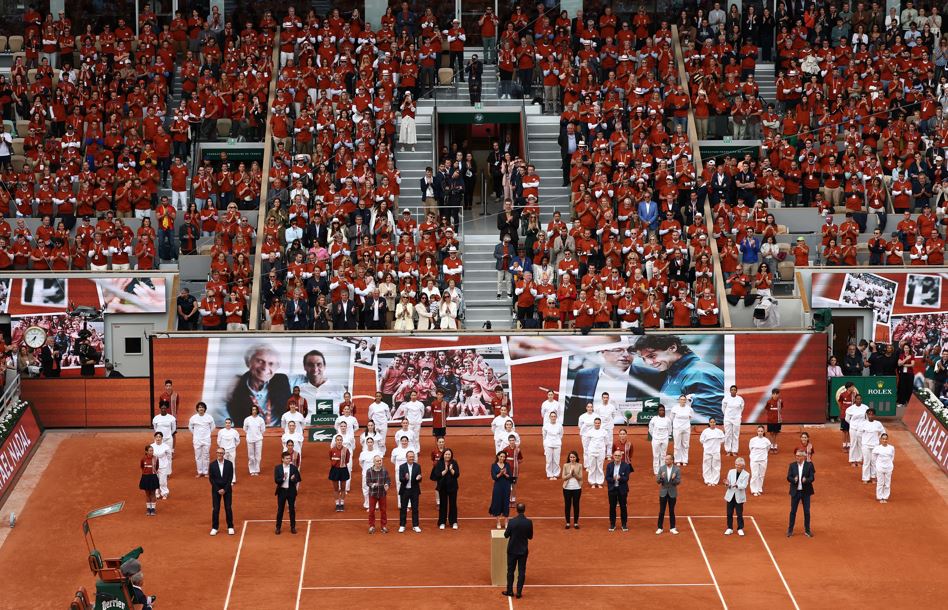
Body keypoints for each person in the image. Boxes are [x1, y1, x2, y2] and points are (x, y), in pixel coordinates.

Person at [226, 343, 291, 426]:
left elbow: (307, 378)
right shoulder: (234, 388)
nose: (265, 367)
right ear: (248, 362)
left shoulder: (282, 381)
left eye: (271, 364)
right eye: (260, 361)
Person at [503, 502, 533, 599]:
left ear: (516, 510)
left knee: (510, 571)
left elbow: (506, 535)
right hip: (523, 551)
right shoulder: (528, 522)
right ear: (524, 510)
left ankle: (510, 591)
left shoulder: (512, 522)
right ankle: (519, 592)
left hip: (512, 550)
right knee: (521, 571)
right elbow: (530, 537)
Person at [787, 449, 815, 537]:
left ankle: (807, 530)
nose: (797, 457)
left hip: (805, 492)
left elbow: (812, 478)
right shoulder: (792, 465)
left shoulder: (809, 465)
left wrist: (806, 480)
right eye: (796, 455)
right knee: (793, 511)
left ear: (803, 457)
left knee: (807, 511)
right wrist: (793, 479)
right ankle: (790, 530)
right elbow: (788, 477)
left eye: (799, 456)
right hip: (795, 492)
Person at [431, 448, 460, 529]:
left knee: (453, 505)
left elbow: (457, 474)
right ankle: (442, 522)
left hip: (453, 487)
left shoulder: (454, 462)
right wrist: (445, 470)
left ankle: (453, 522)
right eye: (446, 454)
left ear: (451, 455)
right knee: (443, 505)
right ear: (443, 455)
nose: (447, 456)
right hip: (443, 487)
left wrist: (451, 470)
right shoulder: (439, 463)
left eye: (449, 454)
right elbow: (437, 475)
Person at [274, 450, 302, 534]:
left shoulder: (294, 468)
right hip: (282, 491)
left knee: (292, 509)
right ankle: (278, 527)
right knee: (280, 510)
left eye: (289, 458)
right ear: (282, 459)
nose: (289, 460)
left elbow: (298, 479)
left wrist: (294, 479)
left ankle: (293, 527)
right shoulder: (278, 468)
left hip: (291, 491)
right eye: (287, 458)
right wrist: (283, 478)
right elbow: (276, 480)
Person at [209, 448, 235, 536]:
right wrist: (218, 489)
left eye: (221, 453)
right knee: (216, 509)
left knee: (228, 508)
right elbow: (211, 479)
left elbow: (230, 477)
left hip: (227, 489)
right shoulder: (212, 465)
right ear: (216, 453)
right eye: (218, 453)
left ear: (224, 454)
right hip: (216, 490)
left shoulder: (229, 464)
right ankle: (214, 528)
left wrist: (225, 489)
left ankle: (230, 527)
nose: (219, 454)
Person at [605, 449, 632, 532]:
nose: (617, 457)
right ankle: (612, 524)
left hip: (622, 490)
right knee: (612, 507)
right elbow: (607, 477)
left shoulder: (626, 466)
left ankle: (624, 524)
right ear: (613, 456)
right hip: (612, 489)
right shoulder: (609, 465)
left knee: (623, 507)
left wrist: (620, 478)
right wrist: (613, 479)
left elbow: (626, 478)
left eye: (619, 456)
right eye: (616, 455)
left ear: (621, 457)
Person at [724, 458, 751, 535]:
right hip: (730, 495)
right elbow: (728, 483)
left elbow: (744, 485)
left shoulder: (746, 474)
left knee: (739, 514)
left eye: (738, 465)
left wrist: (737, 485)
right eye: (736, 465)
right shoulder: (731, 471)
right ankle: (729, 528)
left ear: (742, 466)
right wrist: (727, 484)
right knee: (729, 513)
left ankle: (740, 528)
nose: (737, 466)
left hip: (739, 496)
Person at [398, 450, 423, 532]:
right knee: (403, 508)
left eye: (413, 457)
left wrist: (419, 478)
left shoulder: (417, 466)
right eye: (410, 457)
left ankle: (415, 525)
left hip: (414, 490)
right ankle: (402, 525)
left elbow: (419, 478)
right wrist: (406, 478)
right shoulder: (402, 467)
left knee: (415, 508)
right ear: (407, 457)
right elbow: (401, 479)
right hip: (405, 490)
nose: (412, 458)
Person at [366, 455, 391, 533]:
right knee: (371, 511)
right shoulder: (369, 471)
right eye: (377, 461)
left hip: (382, 494)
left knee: (383, 510)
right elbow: (368, 482)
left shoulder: (385, 471)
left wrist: (387, 485)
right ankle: (372, 526)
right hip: (373, 494)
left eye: (380, 460)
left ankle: (383, 526)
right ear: (373, 462)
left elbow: (388, 480)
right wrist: (373, 485)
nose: (379, 462)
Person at [188, 402, 214, 477]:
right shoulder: (193, 418)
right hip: (197, 439)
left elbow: (212, 427)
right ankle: (199, 472)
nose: (201, 409)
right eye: (199, 407)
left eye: (202, 407)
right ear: (197, 409)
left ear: (205, 409)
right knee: (198, 456)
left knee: (206, 455)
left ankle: (206, 472)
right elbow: (190, 427)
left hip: (206, 439)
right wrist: (196, 434)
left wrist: (207, 434)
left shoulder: (209, 417)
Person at [860, 409, 887, 483]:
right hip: (865, 445)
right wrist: (864, 440)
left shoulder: (878, 424)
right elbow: (859, 433)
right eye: (869, 414)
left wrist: (878, 439)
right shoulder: (863, 423)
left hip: (875, 446)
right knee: (866, 462)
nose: (870, 416)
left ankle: (873, 477)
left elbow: (883, 433)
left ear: (874, 415)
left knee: (874, 462)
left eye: (872, 414)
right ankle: (865, 478)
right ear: (867, 415)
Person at [656, 454, 680, 534]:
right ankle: (660, 527)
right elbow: (658, 481)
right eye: (665, 459)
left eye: (667, 459)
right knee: (661, 511)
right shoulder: (662, 468)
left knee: (671, 511)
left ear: (672, 460)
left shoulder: (677, 469)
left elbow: (678, 481)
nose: (666, 461)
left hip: (672, 493)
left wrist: (673, 479)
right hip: (663, 493)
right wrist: (661, 478)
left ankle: (672, 528)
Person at [490, 450, 513, 529]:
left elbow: (510, 477)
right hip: (498, 487)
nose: (502, 458)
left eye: (504, 457)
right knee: (497, 503)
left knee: (506, 503)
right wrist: (500, 473)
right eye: (501, 456)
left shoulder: (507, 465)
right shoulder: (494, 465)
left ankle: (506, 522)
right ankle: (498, 522)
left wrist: (505, 474)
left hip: (506, 487)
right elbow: (494, 477)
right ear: (498, 456)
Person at [359, 437, 383, 510]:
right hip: (366, 474)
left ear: (373, 443)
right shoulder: (363, 453)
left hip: (376, 473)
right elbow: (361, 463)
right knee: (366, 489)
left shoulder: (377, 452)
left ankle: (376, 505)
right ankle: (368, 504)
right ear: (366, 443)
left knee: (376, 488)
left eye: (371, 442)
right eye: (368, 442)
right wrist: (366, 470)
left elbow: (380, 462)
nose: (369, 444)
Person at [329, 434, 351, 512]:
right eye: (337, 440)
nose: (339, 441)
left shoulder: (346, 450)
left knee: (343, 488)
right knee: (335, 489)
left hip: (343, 469)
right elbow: (330, 458)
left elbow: (347, 460)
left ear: (342, 441)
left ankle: (341, 503)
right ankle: (337, 504)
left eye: (340, 440)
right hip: (334, 470)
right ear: (335, 441)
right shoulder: (332, 450)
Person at [670, 395, 694, 466]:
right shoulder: (674, 408)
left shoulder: (689, 409)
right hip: (677, 428)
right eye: (681, 399)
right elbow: (671, 418)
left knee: (685, 444)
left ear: (686, 400)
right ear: (679, 400)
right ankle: (677, 460)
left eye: (684, 400)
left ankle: (684, 460)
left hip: (686, 428)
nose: (683, 401)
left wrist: (685, 423)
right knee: (677, 444)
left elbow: (691, 417)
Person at [561, 450, 583, 529]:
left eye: (573, 457)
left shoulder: (579, 465)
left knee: (576, 505)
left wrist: (574, 474)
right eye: (571, 457)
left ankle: (576, 523)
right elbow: (563, 477)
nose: (572, 458)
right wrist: (570, 475)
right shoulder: (565, 465)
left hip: (577, 488)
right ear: (569, 458)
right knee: (567, 505)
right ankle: (567, 522)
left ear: (576, 458)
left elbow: (580, 477)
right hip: (567, 488)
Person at [845, 394, 868, 467]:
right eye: (857, 399)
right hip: (853, 429)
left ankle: (859, 460)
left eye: (860, 399)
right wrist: (853, 424)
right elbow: (847, 419)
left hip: (861, 429)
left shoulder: (865, 408)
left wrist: (863, 426)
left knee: (860, 444)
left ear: (861, 400)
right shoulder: (850, 408)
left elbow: (867, 418)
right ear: (855, 400)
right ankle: (852, 460)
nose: (859, 400)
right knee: (853, 444)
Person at [721, 385, 745, 456]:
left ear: (736, 391)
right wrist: (727, 415)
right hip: (728, 418)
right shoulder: (726, 399)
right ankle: (728, 450)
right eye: (732, 390)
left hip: (737, 419)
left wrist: (737, 415)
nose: (733, 391)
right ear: (730, 391)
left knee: (735, 434)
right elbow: (723, 408)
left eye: (734, 390)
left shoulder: (740, 399)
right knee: (728, 434)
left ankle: (734, 450)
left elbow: (742, 408)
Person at [151, 403, 176, 468]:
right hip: (158, 440)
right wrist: (159, 437)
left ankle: (168, 472)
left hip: (168, 439)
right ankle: (157, 469)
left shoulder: (171, 418)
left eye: (165, 408)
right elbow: (155, 428)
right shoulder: (156, 418)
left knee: (169, 456)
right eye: (162, 408)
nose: (163, 409)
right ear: (160, 409)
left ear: (167, 409)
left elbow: (173, 429)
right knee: (157, 454)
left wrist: (168, 434)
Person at [242, 405, 265, 476]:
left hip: (258, 440)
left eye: (255, 410)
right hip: (250, 439)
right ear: (251, 411)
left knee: (258, 455)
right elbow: (245, 429)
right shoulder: (247, 419)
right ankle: (252, 470)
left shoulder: (260, 419)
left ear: (257, 411)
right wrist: (250, 434)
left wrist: (257, 435)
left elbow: (263, 430)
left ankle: (257, 470)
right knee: (251, 455)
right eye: (252, 410)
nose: (254, 411)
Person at [748, 426, 771, 496]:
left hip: (763, 460)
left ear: (763, 432)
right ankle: (754, 490)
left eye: (761, 431)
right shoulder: (752, 440)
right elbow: (750, 449)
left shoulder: (767, 441)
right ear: (757, 432)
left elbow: (768, 449)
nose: (760, 433)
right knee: (754, 475)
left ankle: (759, 489)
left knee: (761, 475)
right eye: (759, 431)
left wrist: (763, 456)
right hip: (754, 460)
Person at [648, 405, 672, 474]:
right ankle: (656, 471)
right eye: (660, 410)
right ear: (658, 411)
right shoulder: (654, 419)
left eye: (663, 410)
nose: (662, 411)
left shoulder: (668, 419)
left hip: (665, 439)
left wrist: (666, 436)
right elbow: (650, 428)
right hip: (656, 439)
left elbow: (670, 429)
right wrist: (654, 436)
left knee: (663, 455)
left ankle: (663, 470)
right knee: (656, 455)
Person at [872, 434, 895, 503]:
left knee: (887, 483)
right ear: (881, 440)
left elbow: (892, 457)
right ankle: (879, 497)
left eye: (886, 439)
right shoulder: (877, 448)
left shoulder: (891, 448)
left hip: (889, 467)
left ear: (888, 440)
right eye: (883, 439)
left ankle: (885, 497)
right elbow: (873, 457)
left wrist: (889, 464)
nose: (884, 440)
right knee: (880, 482)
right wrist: (877, 464)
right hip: (880, 467)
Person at [150, 432, 172, 500]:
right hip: (154, 466)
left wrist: (166, 463)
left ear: (162, 438)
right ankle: (156, 493)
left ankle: (164, 493)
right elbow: (149, 456)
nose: (158, 438)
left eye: (159, 437)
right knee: (155, 480)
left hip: (163, 466)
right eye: (157, 437)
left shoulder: (166, 446)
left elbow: (169, 456)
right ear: (155, 438)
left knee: (163, 481)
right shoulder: (151, 446)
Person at [586, 418, 608, 487]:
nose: (597, 424)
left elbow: (606, 442)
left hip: (601, 451)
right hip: (592, 451)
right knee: (592, 467)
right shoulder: (590, 432)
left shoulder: (604, 432)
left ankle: (599, 482)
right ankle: (592, 483)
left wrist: (602, 448)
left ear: (600, 423)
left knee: (599, 467)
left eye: (598, 423)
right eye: (596, 423)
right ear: (594, 423)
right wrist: (590, 450)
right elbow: (587, 442)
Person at [139, 445, 160, 516]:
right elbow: (142, 466)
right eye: (150, 450)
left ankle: (153, 509)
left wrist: (152, 473)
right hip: (145, 477)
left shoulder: (156, 458)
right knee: (147, 493)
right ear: (146, 451)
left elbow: (157, 467)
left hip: (153, 477)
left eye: (152, 450)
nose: (152, 452)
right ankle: (148, 509)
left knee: (153, 493)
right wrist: (146, 473)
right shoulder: (143, 459)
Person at [542, 411, 563, 479]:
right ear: (550, 417)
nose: (553, 418)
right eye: (552, 416)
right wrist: (546, 443)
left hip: (557, 445)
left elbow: (561, 434)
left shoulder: (560, 426)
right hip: (548, 444)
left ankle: (556, 474)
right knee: (549, 460)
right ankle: (550, 475)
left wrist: (557, 441)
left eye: (554, 416)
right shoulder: (546, 426)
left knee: (556, 460)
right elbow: (544, 436)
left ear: (556, 417)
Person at [765, 388, 783, 453]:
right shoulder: (769, 402)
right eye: (774, 394)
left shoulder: (780, 401)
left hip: (778, 421)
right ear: (772, 394)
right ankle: (771, 445)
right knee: (771, 433)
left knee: (775, 433)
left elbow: (781, 408)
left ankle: (774, 445)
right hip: (770, 421)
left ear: (778, 394)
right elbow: (767, 408)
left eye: (777, 394)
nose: (775, 395)